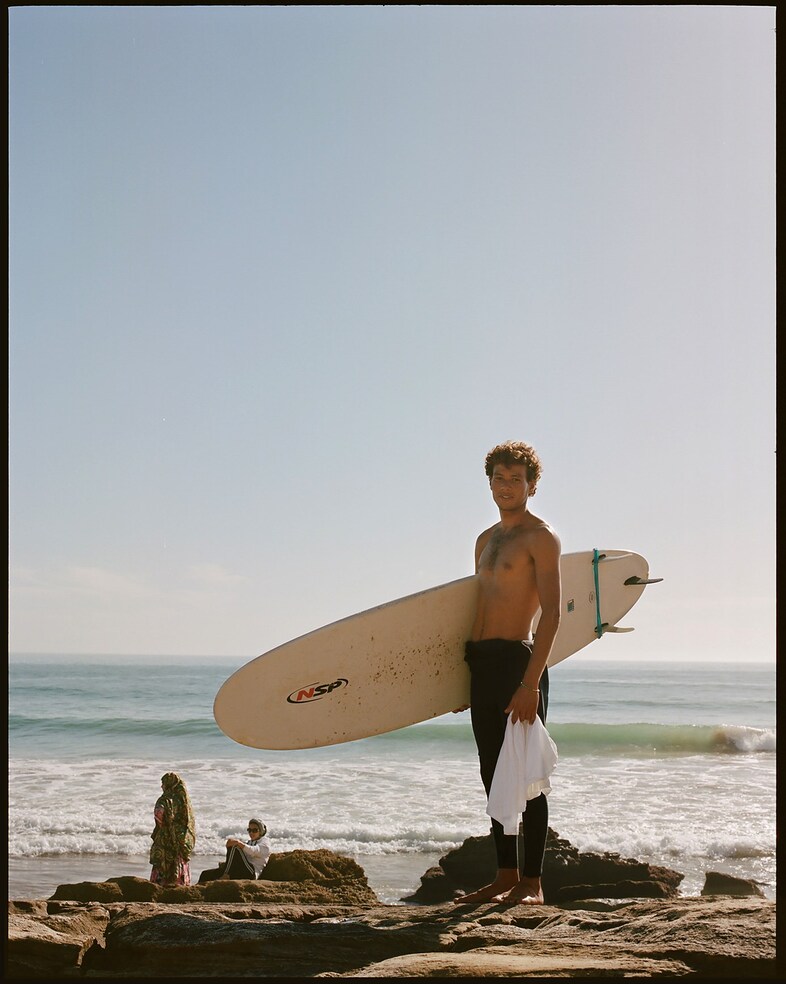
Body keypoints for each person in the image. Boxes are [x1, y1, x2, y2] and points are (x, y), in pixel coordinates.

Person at [456, 441, 561, 906]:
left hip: (519, 664)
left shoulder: (541, 537)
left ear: (531, 485)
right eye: (498, 478)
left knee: (527, 772)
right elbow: (475, 608)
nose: (505, 487)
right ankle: (504, 875)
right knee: (490, 770)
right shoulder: (484, 540)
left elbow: (553, 616)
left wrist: (530, 683)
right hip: (482, 662)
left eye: (515, 479)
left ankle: (532, 883)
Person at [149, 772, 196, 887]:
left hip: (166, 836)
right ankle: (181, 884)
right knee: (179, 859)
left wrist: (163, 826)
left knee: (163, 861)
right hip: (180, 838)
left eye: (163, 783)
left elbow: (158, 812)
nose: (161, 786)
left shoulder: (165, 799)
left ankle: (161, 885)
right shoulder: (183, 800)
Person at [198, 819, 271, 882]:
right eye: (249, 830)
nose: (251, 833)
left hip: (251, 873)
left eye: (254, 830)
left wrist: (238, 843)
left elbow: (253, 851)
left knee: (235, 847)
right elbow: (238, 856)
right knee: (205, 874)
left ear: (261, 831)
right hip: (239, 870)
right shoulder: (249, 842)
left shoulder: (265, 843)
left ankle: (225, 874)